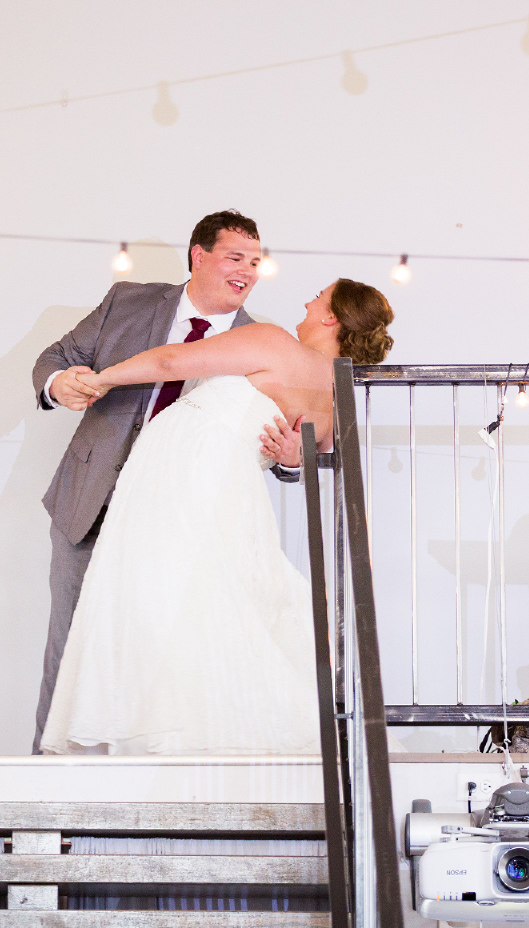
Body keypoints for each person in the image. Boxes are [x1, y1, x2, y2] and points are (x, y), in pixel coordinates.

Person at [39, 279, 394, 754]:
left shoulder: (274, 342)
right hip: (229, 485)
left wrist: (100, 380)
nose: (307, 300)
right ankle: (194, 736)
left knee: (158, 600)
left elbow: (171, 361)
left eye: (318, 297)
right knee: (201, 599)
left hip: (183, 472)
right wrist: (293, 457)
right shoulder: (336, 391)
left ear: (331, 318)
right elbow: (316, 453)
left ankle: (157, 735)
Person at [30, 211, 305, 754]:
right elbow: (56, 359)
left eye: (255, 262)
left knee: (165, 654)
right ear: (198, 255)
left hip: (183, 524)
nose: (247, 272)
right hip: (93, 504)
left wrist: (292, 460)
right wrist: (59, 383)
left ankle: (140, 795)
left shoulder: (262, 341)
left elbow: (283, 442)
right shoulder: (127, 301)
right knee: (73, 651)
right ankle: (49, 792)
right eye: (235, 258)